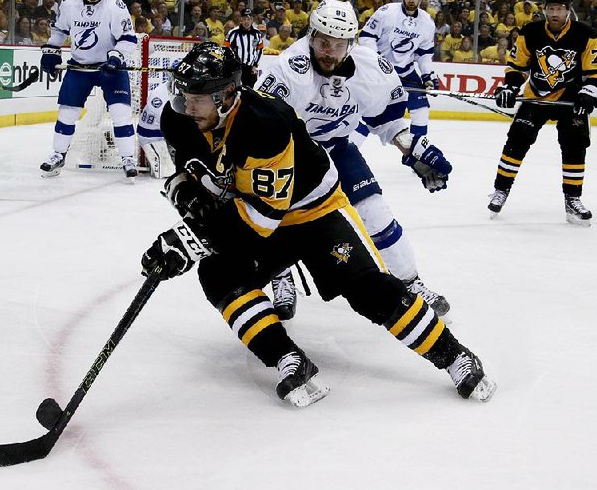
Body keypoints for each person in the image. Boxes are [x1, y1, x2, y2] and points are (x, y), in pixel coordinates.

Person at [141, 42, 496, 407]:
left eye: (196, 97)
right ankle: (287, 358)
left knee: (368, 291)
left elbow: (261, 221)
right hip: (257, 210)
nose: (185, 104)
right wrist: (186, 200)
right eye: (182, 93)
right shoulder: (180, 118)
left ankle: (455, 356)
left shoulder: (264, 125)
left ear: (227, 95)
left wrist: (189, 239)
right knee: (218, 275)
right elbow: (190, 172)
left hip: (313, 212)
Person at [256, 0, 453, 322]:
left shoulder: (370, 68)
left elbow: (388, 124)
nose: (329, 52)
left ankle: (411, 283)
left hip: (336, 149)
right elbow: (259, 126)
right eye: (323, 42)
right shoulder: (288, 69)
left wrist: (415, 149)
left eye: (338, 44)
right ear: (312, 36)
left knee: (376, 212)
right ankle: (281, 277)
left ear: (350, 43)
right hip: (288, 155)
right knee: (273, 222)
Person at [489, 0, 597, 226]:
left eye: (560, 9)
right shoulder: (530, 31)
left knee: (575, 144)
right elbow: (517, 67)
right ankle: (501, 190)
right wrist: (510, 88)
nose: (555, 13)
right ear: (545, 10)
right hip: (536, 97)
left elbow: (596, 72)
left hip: (569, 100)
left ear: (568, 10)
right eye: (551, 8)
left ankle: (572, 199)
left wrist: (588, 94)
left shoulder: (585, 34)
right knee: (517, 140)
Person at [38, 0, 138, 178]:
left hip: (110, 68)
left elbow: (129, 39)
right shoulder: (70, 3)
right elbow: (59, 31)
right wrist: (51, 51)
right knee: (67, 112)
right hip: (79, 66)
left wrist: (116, 56)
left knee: (121, 114)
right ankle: (58, 154)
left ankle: (128, 158)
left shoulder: (116, 5)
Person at [359, 0, 439, 142]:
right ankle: (349, 147)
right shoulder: (386, 12)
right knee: (368, 111)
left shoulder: (427, 23)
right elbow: (366, 37)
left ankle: (418, 152)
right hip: (381, 73)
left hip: (407, 72)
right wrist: (377, 64)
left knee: (421, 109)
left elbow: (424, 54)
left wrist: (428, 76)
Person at [223, 8, 264, 87]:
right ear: (241, 19)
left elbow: (260, 49)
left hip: (250, 68)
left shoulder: (257, 33)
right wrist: (231, 64)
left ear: (252, 20)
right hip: (237, 67)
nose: (246, 22)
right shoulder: (233, 33)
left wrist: (255, 65)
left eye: (248, 19)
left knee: (250, 92)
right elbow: (226, 49)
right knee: (235, 90)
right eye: (244, 19)